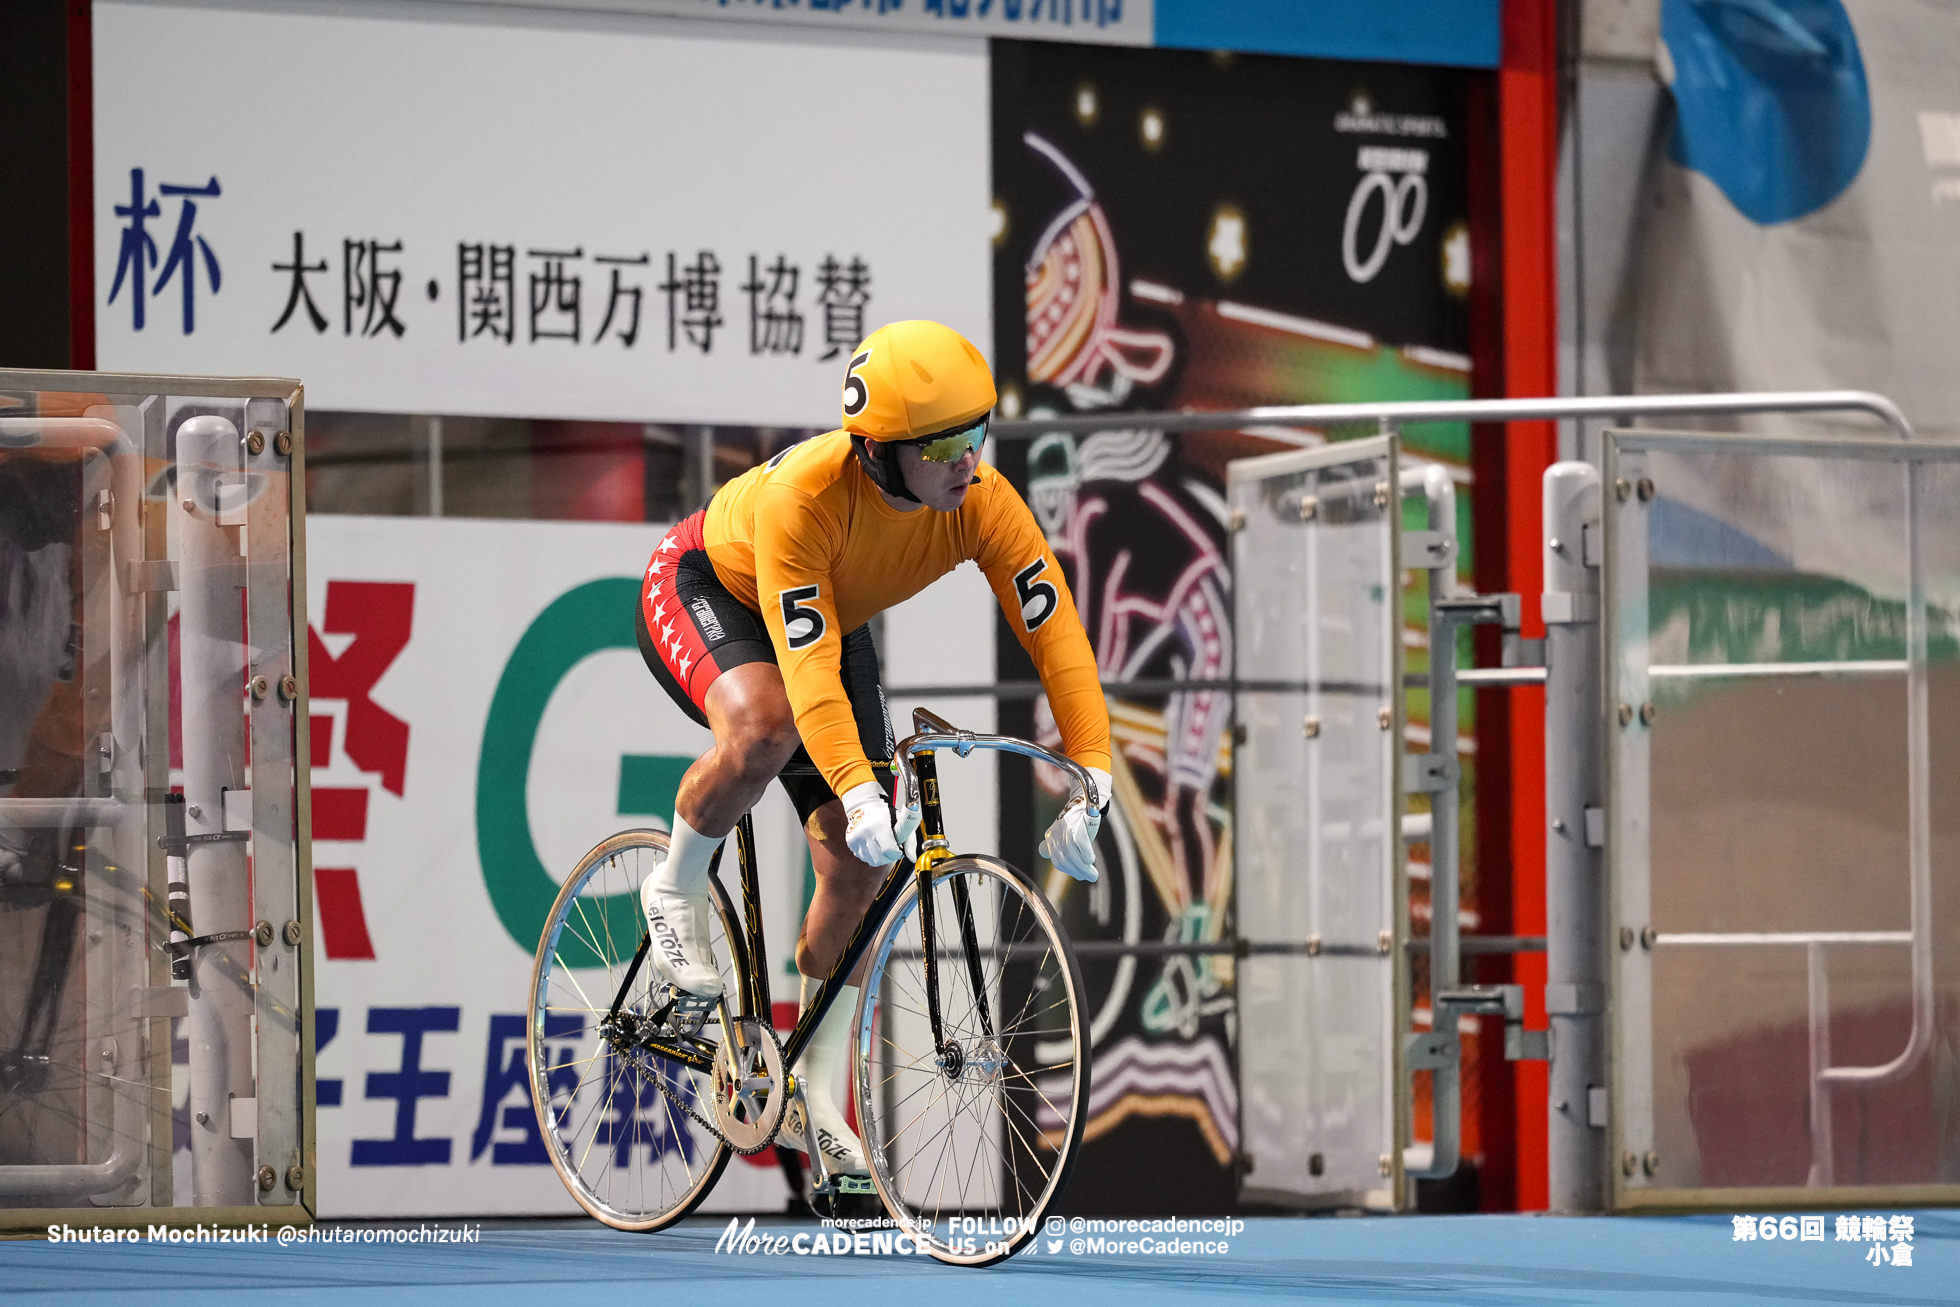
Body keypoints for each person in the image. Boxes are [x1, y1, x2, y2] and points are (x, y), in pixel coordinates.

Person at [634, 319, 1111, 1191]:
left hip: (828, 616)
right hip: (710, 582)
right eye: (945, 445)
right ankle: (670, 884)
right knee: (765, 730)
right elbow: (806, 672)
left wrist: (1094, 771)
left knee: (856, 868)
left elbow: (1056, 633)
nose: (969, 461)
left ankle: (814, 1089)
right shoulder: (804, 498)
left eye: (979, 435)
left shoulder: (983, 503)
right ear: (880, 452)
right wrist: (856, 786)